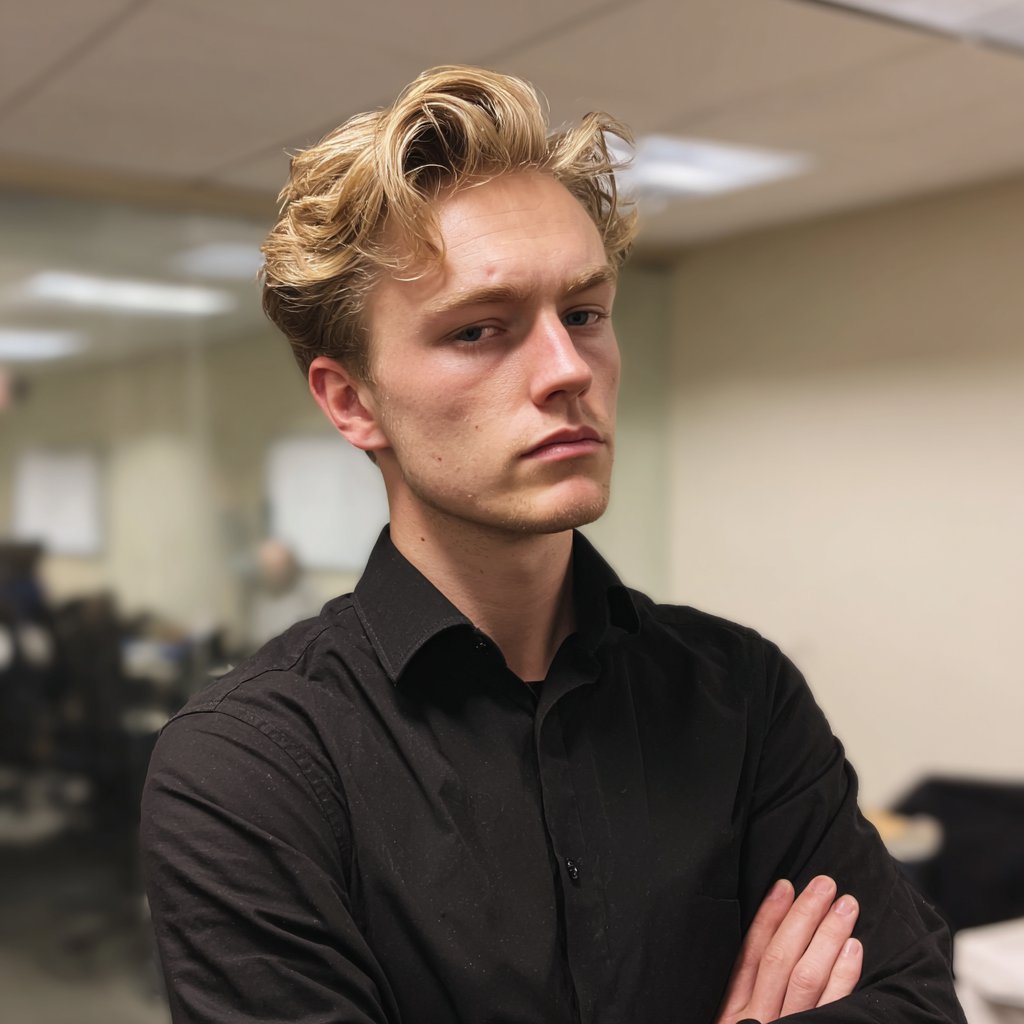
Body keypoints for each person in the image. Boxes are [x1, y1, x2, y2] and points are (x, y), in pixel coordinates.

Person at [140, 67, 964, 1024]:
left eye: (583, 313)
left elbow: (911, 1000)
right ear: (351, 401)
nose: (569, 369)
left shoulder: (740, 696)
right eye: (481, 330)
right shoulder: (249, 771)